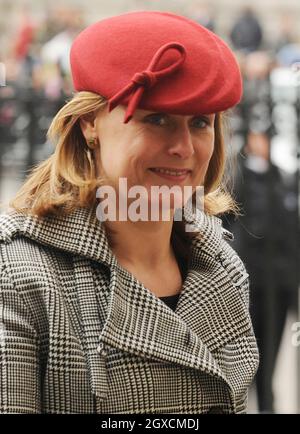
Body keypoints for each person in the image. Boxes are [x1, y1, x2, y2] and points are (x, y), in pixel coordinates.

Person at [0, 11, 259, 414]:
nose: (185, 149)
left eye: (200, 123)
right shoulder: (20, 275)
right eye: (156, 119)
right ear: (89, 123)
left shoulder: (222, 266)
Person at [223, 131, 299, 412]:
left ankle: (267, 406)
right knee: (243, 363)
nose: (261, 142)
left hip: (279, 287)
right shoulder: (235, 179)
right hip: (247, 285)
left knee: (270, 360)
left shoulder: (282, 179)